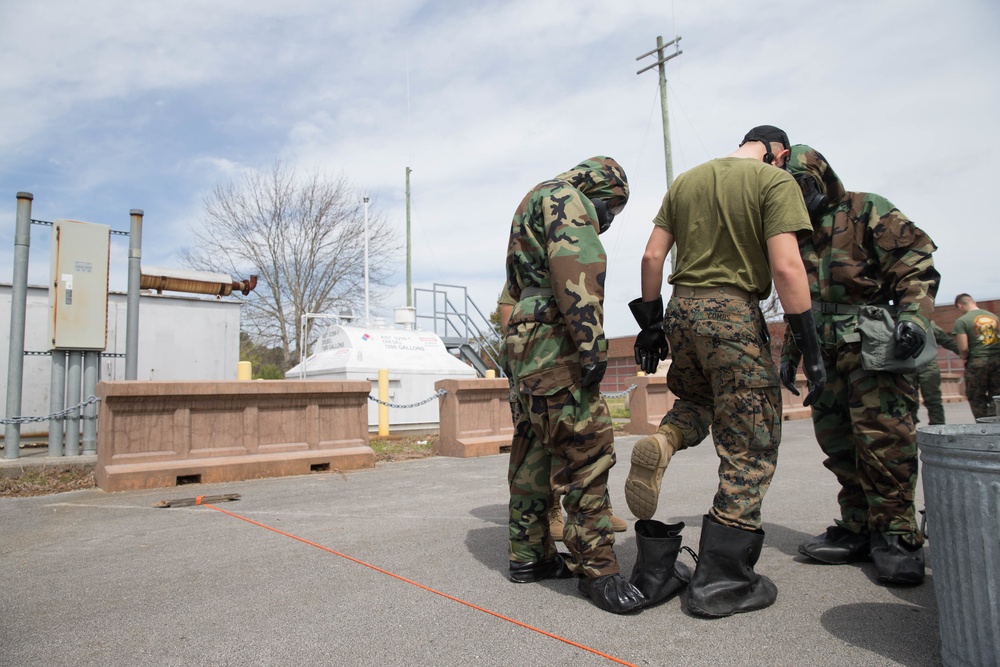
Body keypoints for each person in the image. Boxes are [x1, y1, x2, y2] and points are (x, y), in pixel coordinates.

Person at [627, 125, 824, 617]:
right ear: (778, 152)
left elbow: (653, 256)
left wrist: (651, 327)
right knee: (751, 440)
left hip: (681, 310)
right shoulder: (774, 182)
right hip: (733, 313)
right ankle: (721, 581)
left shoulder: (686, 181)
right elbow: (786, 268)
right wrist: (809, 346)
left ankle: (665, 440)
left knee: (699, 402)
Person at [781, 144, 940, 586]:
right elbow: (796, 298)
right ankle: (857, 527)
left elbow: (915, 264)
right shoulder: (790, 230)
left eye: (803, 187)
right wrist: (790, 354)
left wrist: (913, 319)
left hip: (872, 346)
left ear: (822, 179)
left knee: (885, 442)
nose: (798, 197)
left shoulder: (867, 209)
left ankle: (897, 536)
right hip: (823, 351)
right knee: (838, 442)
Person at [503, 156, 643, 614]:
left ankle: (530, 556)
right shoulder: (569, 199)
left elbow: (513, 289)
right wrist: (590, 342)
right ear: (603, 191)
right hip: (554, 336)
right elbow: (576, 270)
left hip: (524, 337)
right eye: (611, 210)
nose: (606, 220)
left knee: (533, 448)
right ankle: (597, 569)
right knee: (588, 448)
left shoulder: (531, 200)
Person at [497, 287, 627, 541]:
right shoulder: (528, 269)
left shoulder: (570, 262)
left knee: (589, 439)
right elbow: (507, 316)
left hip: (572, 364)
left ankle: (595, 509)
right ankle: (551, 511)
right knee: (543, 444)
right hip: (538, 367)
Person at [953, 294, 1000, 420]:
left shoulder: (962, 321)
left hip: (977, 363)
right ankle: (996, 423)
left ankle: (983, 426)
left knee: (976, 396)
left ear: (960, 305)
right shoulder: (994, 317)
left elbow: (963, 348)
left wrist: (963, 356)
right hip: (998, 361)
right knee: (996, 396)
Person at [908, 322, 960, 425]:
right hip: (906, 367)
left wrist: (966, 354)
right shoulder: (896, 319)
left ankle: (938, 430)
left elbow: (945, 340)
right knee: (909, 401)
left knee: (933, 401)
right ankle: (910, 433)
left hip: (927, 365)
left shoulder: (926, 322)